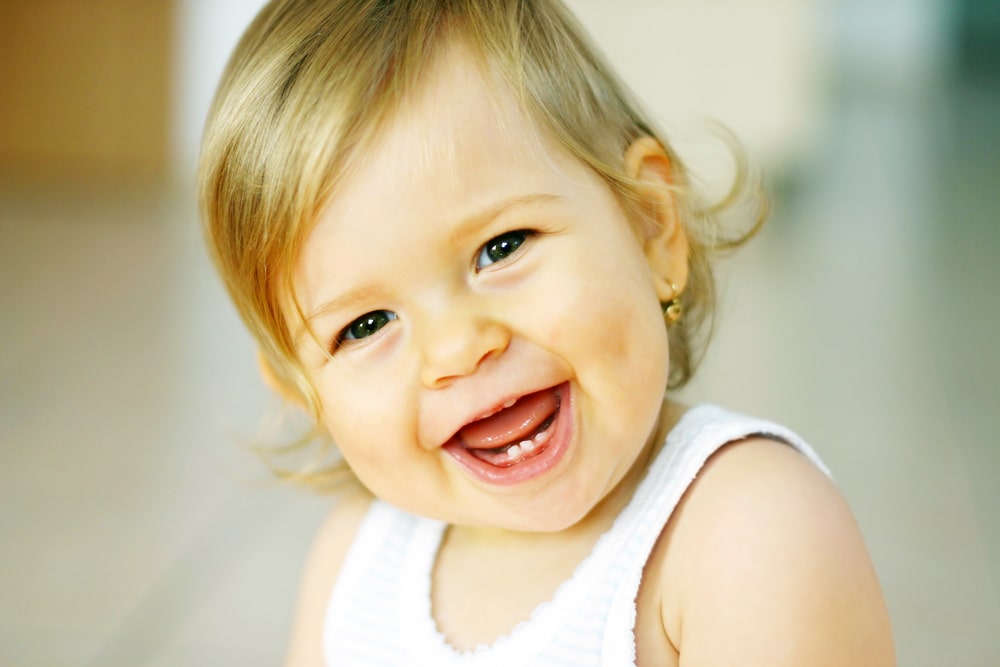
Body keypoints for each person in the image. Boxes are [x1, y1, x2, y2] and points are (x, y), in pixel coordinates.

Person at [198, 1, 895, 664]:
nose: (456, 349)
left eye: (502, 248)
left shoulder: (745, 530)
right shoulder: (353, 566)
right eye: (367, 324)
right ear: (302, 390)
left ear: (651, 226)